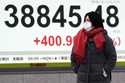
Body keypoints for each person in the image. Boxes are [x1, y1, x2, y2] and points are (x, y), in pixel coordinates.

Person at [71, 11, 117, 83]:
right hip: (82, 78)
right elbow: (73, 55)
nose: (86, 22)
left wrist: (105, 70)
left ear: (95, 21)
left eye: (88, 20)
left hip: (100, 79)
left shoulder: (104, 38)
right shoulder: (79, 37)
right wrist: (76, 69)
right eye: (85, 20)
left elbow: (112, 57)